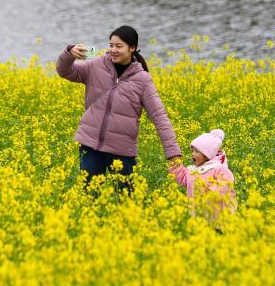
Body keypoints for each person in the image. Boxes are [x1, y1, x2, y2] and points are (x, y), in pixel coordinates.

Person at [57, 25, 182, 188]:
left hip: (121, 151)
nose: (113, 50)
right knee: (90, 198)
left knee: (125, 202)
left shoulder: (142, 80)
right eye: (111, 45)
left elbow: (160, 117)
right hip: (90, 146)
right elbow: (64, 71)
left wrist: (173, 153)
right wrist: (69, 53)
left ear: (132, 48)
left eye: (119, 46)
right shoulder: (96, 65)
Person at [169, 129, 236, 220]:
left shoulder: (218, 168)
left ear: (207, 155)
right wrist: (176, 165)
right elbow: (184, 177)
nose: (193, 154)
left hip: (217, 216)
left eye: (196, 151)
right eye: (192, 151)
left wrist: (209, 193)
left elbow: (226, 184)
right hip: (197, 214)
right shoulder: (193, 170)